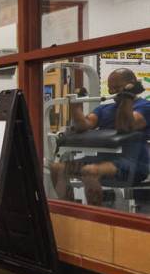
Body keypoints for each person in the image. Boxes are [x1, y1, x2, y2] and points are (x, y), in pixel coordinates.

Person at [50, 69, 149, 206]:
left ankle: (95, 216)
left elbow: (125, 126)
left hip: (132, 165)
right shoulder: (104, 109)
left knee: (89, 171)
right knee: (57, 168)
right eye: (110, 89)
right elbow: (83, 125)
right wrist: (75, 105)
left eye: (117, 88)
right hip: (102, 161)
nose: (113, 93)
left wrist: (127, 96)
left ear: (131, 84)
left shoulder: (145, 106)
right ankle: (71, 210)